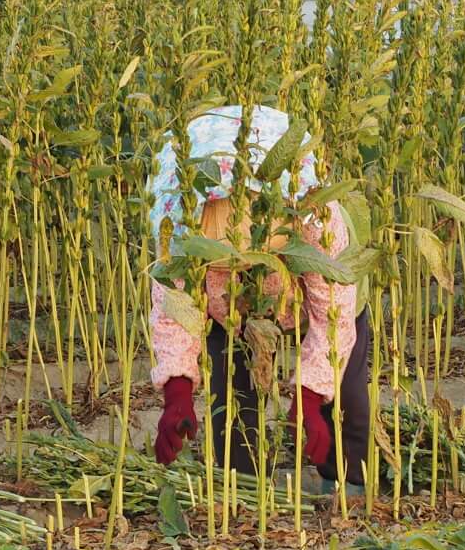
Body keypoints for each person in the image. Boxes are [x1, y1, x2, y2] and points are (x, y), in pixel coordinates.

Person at [148, 104, 369, 489]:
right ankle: (244, 490)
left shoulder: (317, 220)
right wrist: (177, 393)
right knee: (232, 411)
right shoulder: (179, 225)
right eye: (224, 261)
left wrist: (309, 398)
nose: (242, 265)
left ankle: (350, 485)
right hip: (230, 312)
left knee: (345, 402)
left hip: (319, 308)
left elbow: (332, 315)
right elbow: (173, 312)